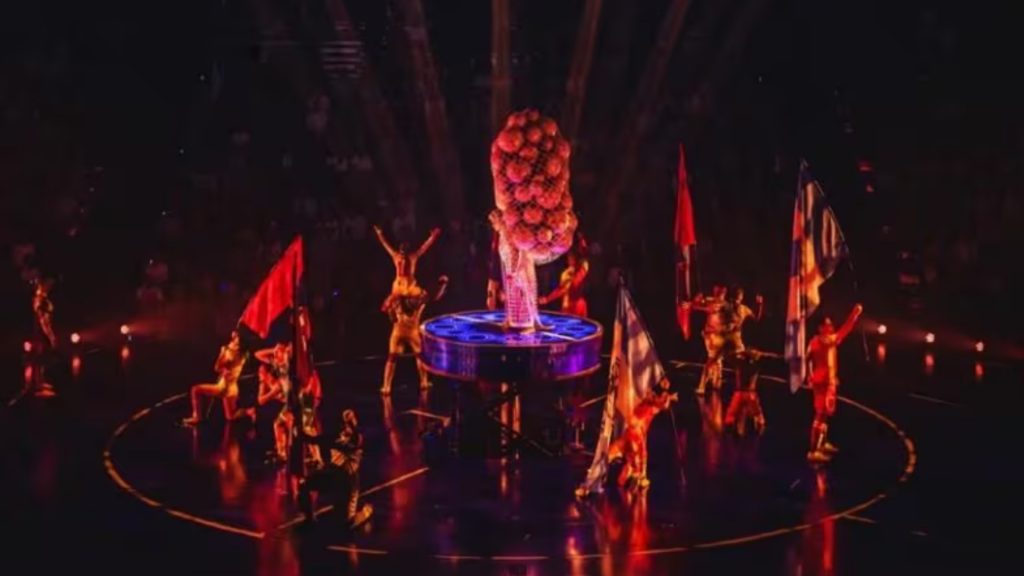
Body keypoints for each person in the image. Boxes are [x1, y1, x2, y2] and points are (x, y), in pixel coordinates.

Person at [806, 304, 863, 464]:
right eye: (827, 324)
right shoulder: (821, 341)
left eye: (830, 324)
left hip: (828, 381)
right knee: (820, 414)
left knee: (825, 414)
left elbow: (808, 358)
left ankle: (822, 443)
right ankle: (813, 451)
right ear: (820, 328)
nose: (830, 327)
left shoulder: (822, 340)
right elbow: (844, 330)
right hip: (822, 381)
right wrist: (854, 315)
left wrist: (810, 375)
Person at [299, 409, 372, 527]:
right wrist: (300, 431)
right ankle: (309, 517)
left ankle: (365, 511)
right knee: (304, 484)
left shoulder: (356, 439)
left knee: (348, 523)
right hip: (333, 476)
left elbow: (353, 439)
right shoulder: (335, 436)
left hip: (348, 482)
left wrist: (352, 423)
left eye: (349, 424)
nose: (346, 427)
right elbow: (314, 439)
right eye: (345, 423)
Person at [380, 276, 448, 395]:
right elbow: (434, 297)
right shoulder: (409, 297)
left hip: (404, 331)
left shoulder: (408, 296)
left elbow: (434, 296)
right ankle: (389, 386)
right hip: (406, 331)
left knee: (400, 357)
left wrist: (442, 285)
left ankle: (388, 386)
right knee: (401, 357)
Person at [607, 384, 678, 491]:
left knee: (639, 457)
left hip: (637, 435)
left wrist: (669, 397)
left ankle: (634, 479)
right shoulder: (645, 404)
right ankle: (627, 479)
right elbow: (659, 402)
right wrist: (669, 397)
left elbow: (662, 404)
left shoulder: (653, 407)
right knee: (629, 456)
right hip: (632, 434)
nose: (649, 394)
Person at [183, 331, 249, 425]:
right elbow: (223, 368)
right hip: (230, 386)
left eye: (235, 338)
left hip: (226, 387)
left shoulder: (232, 353)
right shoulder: (239, 353)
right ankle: (251, 411)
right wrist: (224, 354)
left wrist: (223, 353)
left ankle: (197, 417)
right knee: (231, 416)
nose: (232, 340)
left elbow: (218, 367)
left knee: (196, 390)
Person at [374, 225, 441, 312]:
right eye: (401, 250)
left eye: (404, 250)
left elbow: (424, 247)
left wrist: (432, 237)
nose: (403, 254)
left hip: (410, 285)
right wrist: (379, 234)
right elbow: (385, 245)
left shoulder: (413, 257)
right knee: (387, 306)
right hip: (399, 284)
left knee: (425, 297)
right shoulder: (396, 256)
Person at [254, 342, 293, 462]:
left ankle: (285, 453)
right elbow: (257, 354)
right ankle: (283, 453)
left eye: (278, 352)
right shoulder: (276, 364)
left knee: (284, 425)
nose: (275, 354)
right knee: (279, 424)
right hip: (289, 402)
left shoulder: (288, 364)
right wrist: (273, 349)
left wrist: (284, 351)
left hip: (294, 400)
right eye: (275, 353)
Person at [724, 349, 774, 436]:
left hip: (739, 393)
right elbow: (768, 359)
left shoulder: (739, 363)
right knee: (759, 417)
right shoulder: (756, 365)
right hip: (750, 394)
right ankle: (757, 431)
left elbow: (728, 356)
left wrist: (740, 352)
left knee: (730, 416)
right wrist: (759, 354)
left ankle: (731, 429)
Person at [539, 233, 590, 317]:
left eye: (570, 256)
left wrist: (547, 299)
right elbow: (562, 289)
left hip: (577, 306)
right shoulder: (567, 272)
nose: (568, 258)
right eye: (568, 256)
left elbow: (563, 288)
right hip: (567, 305)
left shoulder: (582, 266)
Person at [691, 285, 727, 394]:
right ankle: (703, 385)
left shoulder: (723, 304)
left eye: (721, 291)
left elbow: (700, 306)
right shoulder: (712, 302)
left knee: (717, 360)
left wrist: (697, 302)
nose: (718, 293)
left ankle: (716, 383)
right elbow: (696, 305)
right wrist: (697, 300)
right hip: (712, 335)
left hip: (719, 336)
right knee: (713, 359)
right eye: (717, 291)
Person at [29, 279, 57, 397]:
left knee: (42, 359)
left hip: (42, 333)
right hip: (40, 334)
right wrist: (50, 335)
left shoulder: (42, 299)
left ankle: (41, 382)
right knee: (39, 359)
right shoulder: (40, 300)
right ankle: (38, 386)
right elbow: (43, 321)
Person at [721, 287, 764, 355]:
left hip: (737, 344)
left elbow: (756, 317)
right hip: (723, 343)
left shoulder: (743, 309)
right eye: (735, 298)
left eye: (738, 298)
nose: (736, 301)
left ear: (741, 298)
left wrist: (759, 304)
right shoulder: (725, 307)